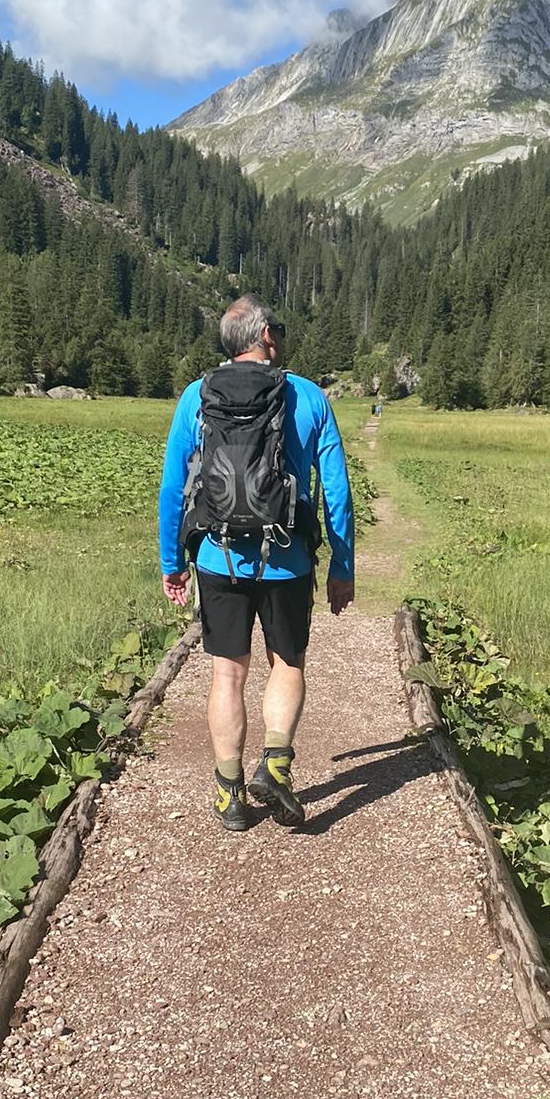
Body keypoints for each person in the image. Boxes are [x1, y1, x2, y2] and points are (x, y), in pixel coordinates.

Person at [158, 296, 355, 833]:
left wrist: (172, 560)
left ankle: (229, 793)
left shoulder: (196, 397)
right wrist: (343, 564)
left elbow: (175, 486)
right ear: (266, 335)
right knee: (286, 664)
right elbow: (335, 489)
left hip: (216, 557)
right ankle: (275, 764)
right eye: (280, 329)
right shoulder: (308, 397)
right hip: (288, 559)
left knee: (227, 673)